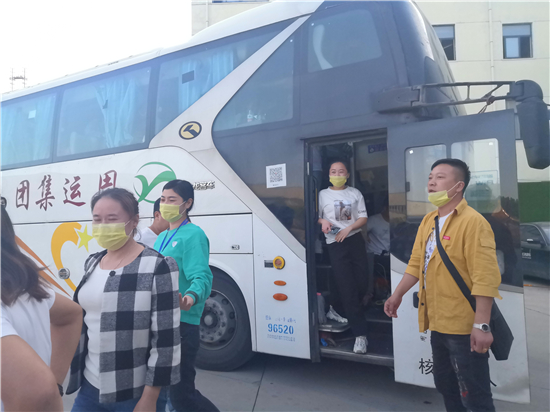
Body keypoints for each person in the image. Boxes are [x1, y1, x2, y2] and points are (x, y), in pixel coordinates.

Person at [384, 159, 501, 412]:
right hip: (437, 321)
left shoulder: (473, 222)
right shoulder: (429, 220)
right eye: (430, 177)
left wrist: (481, 325)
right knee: (446, 386)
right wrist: (397, 295)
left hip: (463, 326)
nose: (431, 182)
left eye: (440, 177)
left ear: (459, 186)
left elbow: (485, 277)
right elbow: (417, 262)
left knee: (474, 395)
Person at [67, 188, 181, 412]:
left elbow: (167, 341)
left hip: (134, 394)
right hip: (89, 388)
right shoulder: (92, 262)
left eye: (112, 219)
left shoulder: (158, 266)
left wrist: (150, 398)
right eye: (97, 219)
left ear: (134, 221)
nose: (103, 226)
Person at [1, 205, 82, 412]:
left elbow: (36, 389)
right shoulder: (24, 286)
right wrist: (55, 384)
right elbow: (71, 314)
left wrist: (51, 389)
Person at [155, 179, 219, 412]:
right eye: (163, 199)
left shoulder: (194, 235)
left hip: (182, 323)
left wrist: (190, 297)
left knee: (181, 394)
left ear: (188, 203)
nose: (165, 204)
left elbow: (202, 276)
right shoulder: (162, 236)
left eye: (172, 200)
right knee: (163, 390)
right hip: (161, 321)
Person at [318, 160, 370, 354]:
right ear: (328, 175)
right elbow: (316, 215)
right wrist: (322, 221)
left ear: (347, 175)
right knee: (348, 288)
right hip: (335, 243)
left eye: (341, 171)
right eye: (333, 171)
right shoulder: (323, 194)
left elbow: (363, 217)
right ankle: (360, 335)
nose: (337, 175)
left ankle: (336, 309)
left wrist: (349, 229)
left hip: (354, 239)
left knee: (362, 284)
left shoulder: (355, 193)